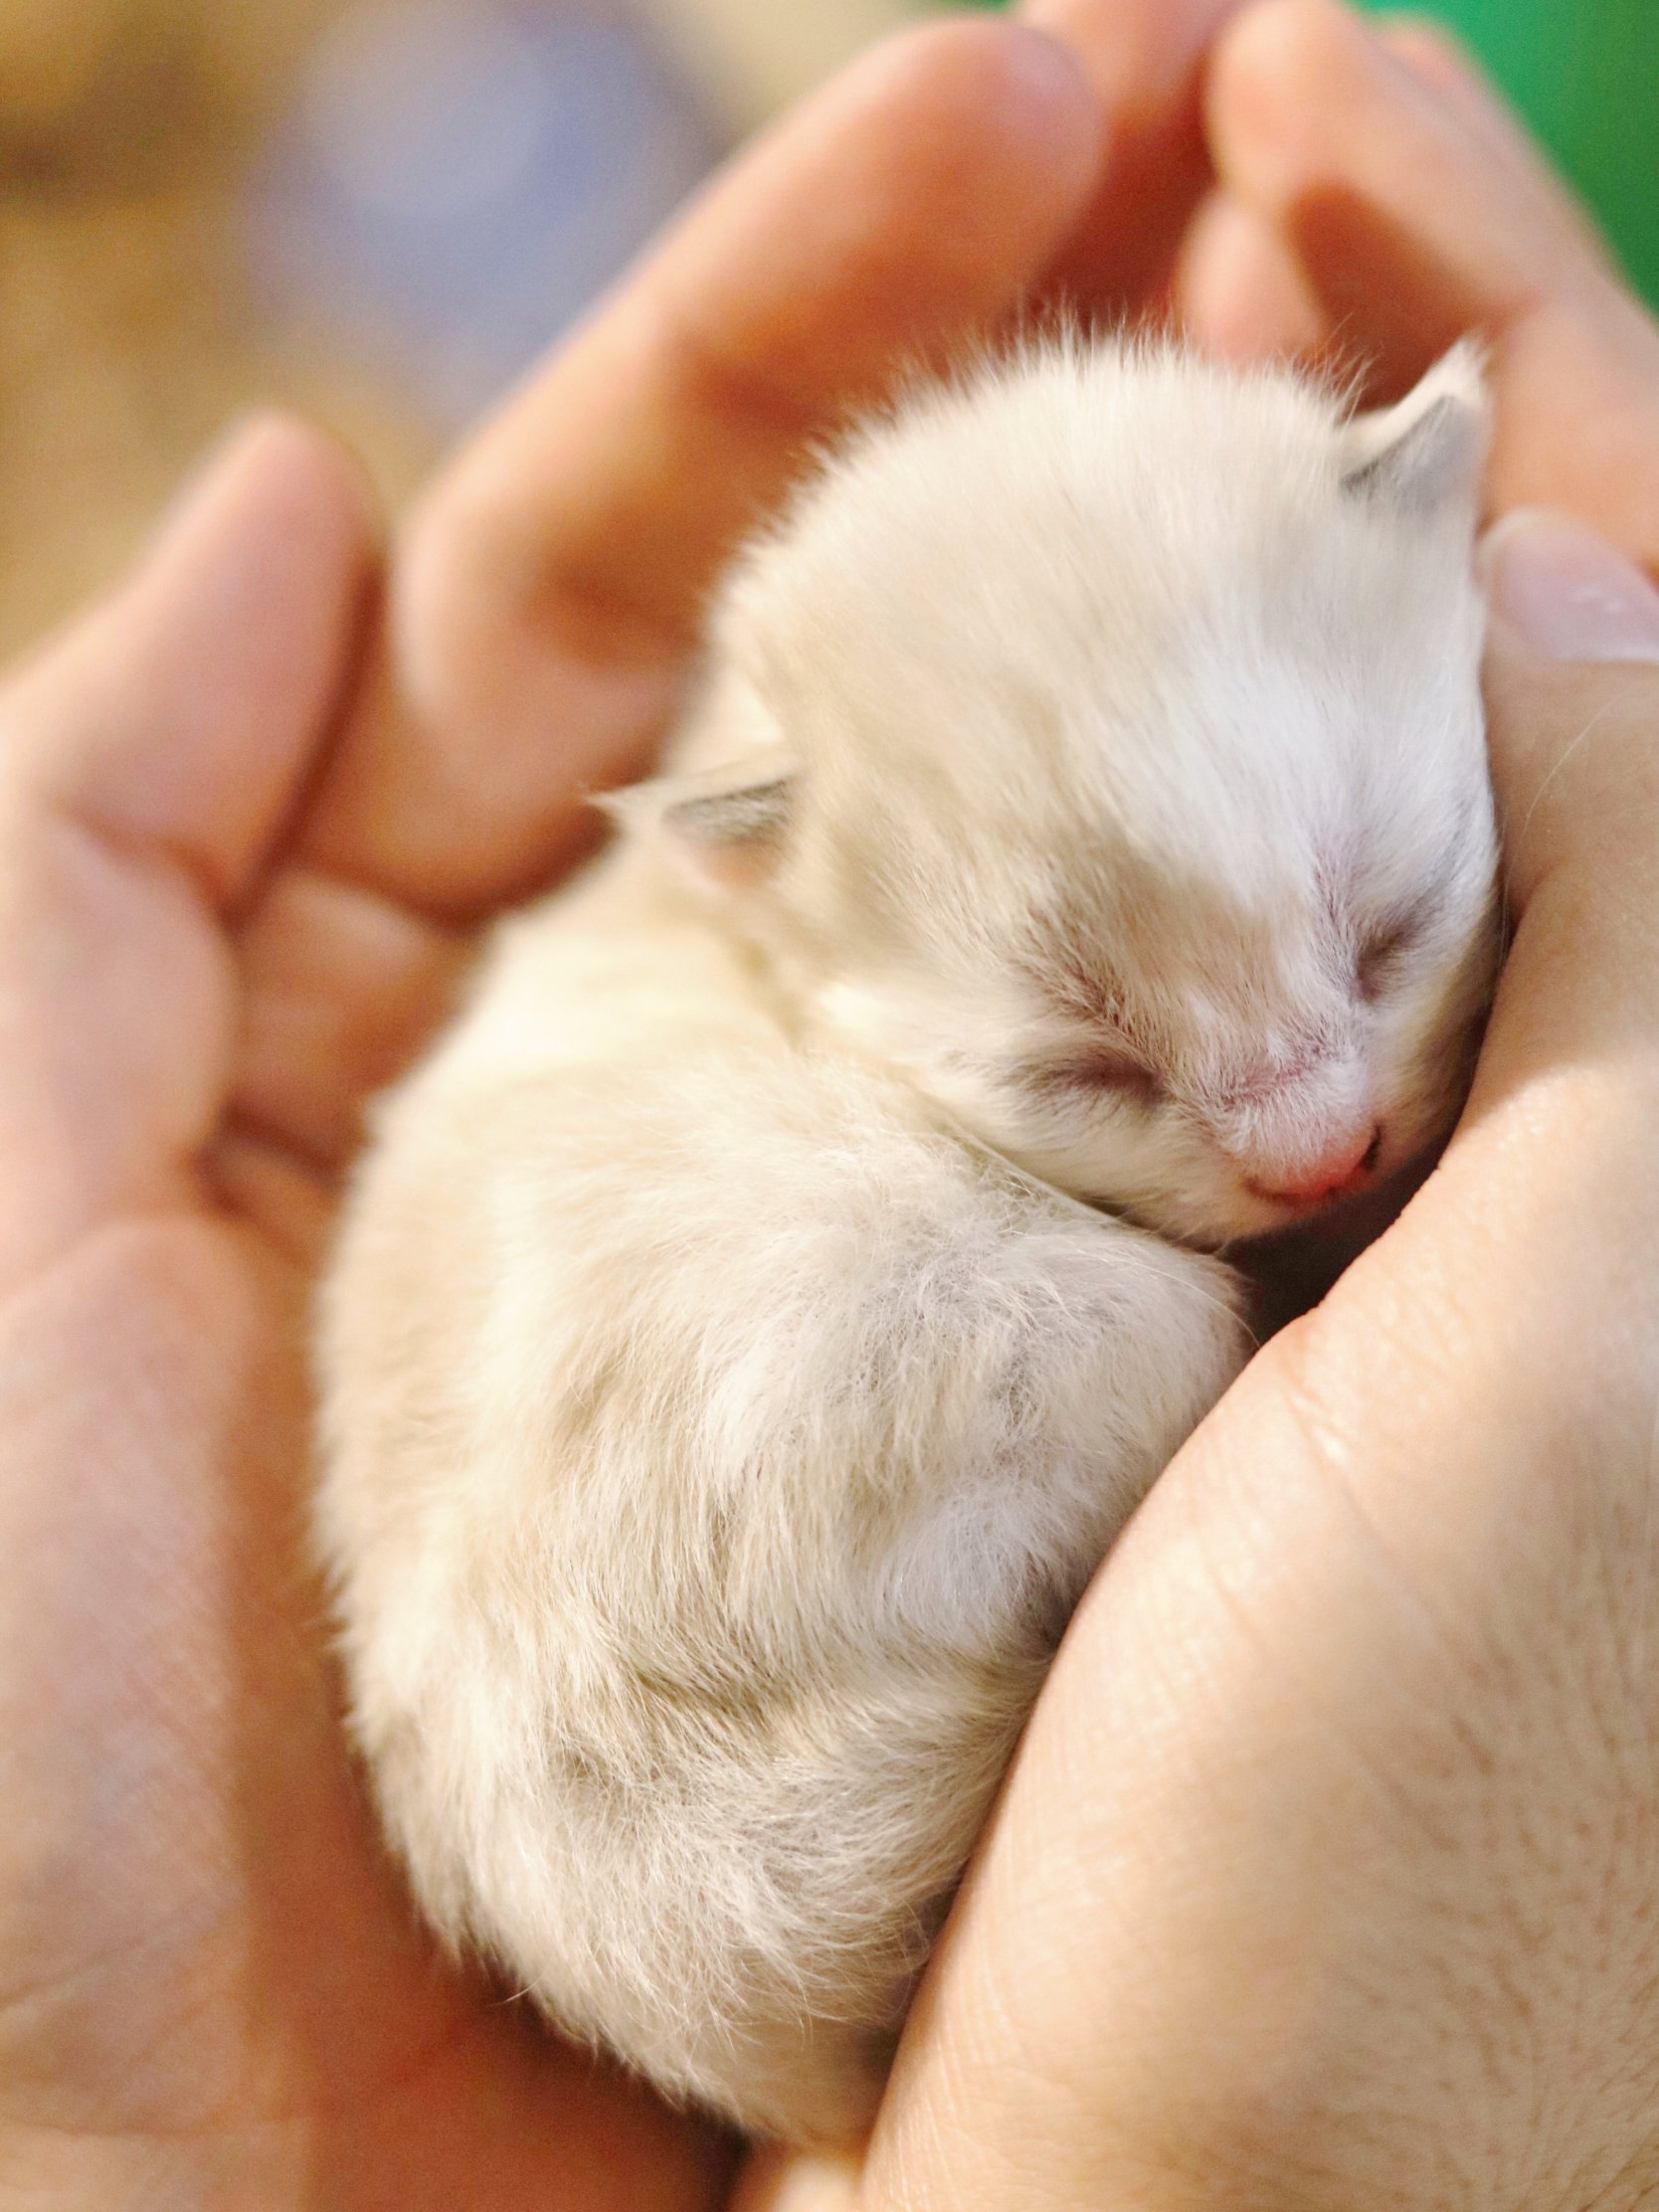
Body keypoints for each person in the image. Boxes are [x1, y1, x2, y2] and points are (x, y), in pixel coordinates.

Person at [3, 1, 1659, 2204]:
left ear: (1436, 514)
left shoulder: (872, 908)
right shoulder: (765, 926)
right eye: (1087, 1070)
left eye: (1382, 936)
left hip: (687, 1938)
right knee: (1129, 1318)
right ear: (757, 880)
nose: (1309, 1141)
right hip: (743, 1817)